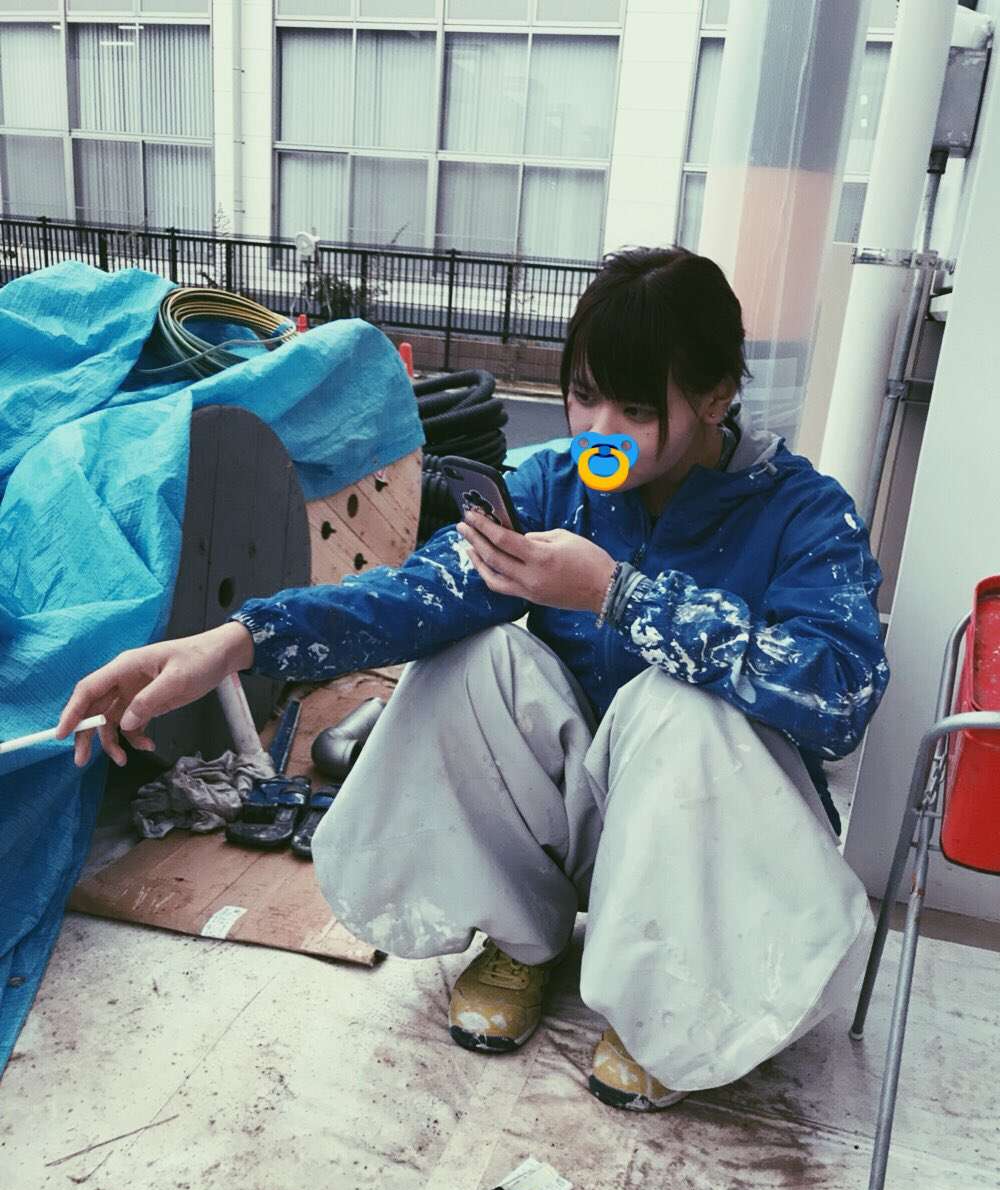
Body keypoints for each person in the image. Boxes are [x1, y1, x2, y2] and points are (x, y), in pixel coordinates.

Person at [58, 247, 887, 1112]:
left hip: (708, 850)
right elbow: (414, 596)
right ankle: (524, 936)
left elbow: (839, 694)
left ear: (716, 397)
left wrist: (618, 594)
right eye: (584, 395)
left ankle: (676, 996)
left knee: (678, 700)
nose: (598, 429)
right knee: (477, 657)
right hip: (592, 824)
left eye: (636, 409)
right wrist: (232, 642)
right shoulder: (556, 486)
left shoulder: (802, 511)